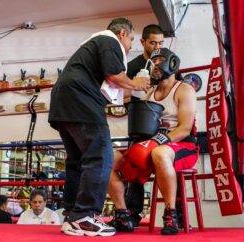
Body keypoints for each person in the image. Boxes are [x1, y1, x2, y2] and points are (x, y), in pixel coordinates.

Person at [48, 17, 150, 237]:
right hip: (80, 102)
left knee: (78, 161)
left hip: (64, 103)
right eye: (132, 39)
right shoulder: (108, 40)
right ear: (122, 33)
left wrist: (137, 89)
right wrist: (136, 83)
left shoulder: (91, 50)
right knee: (101, 157)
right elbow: (114, 75)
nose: (131, 46)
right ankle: (85, 216)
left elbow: (111, 88)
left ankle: (72, 215)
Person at [107, 48, 199, 235]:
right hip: (154, 145)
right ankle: (124, 213)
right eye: (152, 61)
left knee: (160, 152)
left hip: (183, 145)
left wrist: (157, 141)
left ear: (172, 63)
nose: (154, 65)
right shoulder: (149, 92)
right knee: (108, 158)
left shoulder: (184, 90)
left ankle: (171, 214)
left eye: (158, 60)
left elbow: (185, 128)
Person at [113, 24, 165, 229]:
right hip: (141, 123)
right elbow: (120, 93)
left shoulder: (168, 62)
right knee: (134, 168)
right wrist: (135, 89)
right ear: (143, 42)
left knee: (168, 164)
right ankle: (132, 214)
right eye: (153, 42)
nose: (157, 46)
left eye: (160, 42)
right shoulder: (132, 65)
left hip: (163, 124)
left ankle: (175, 212)